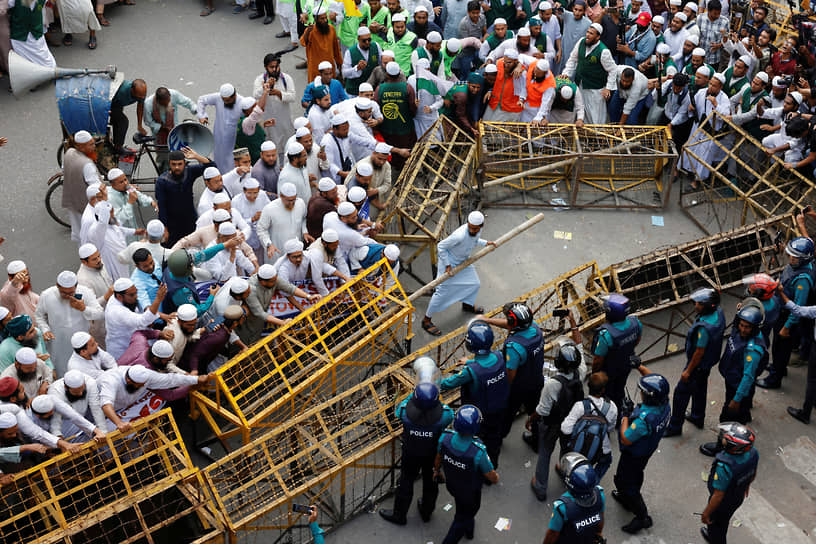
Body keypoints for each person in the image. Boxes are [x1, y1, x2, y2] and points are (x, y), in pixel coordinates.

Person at [380, 378, 455, 525]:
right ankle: (427, 512)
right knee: (430, 481)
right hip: (433, 454)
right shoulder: (444, 416)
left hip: (411, 452)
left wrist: (413, 396)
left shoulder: (405, 414)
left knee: (406, 481)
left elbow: (399, 408)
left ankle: (399, 515)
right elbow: (448, 412)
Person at [699, 304, 765, 458]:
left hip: (738, 386)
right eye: (741, 325)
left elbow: (748, 377)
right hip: (732, 379)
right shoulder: (741, 332)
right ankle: (744, 414)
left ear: (754, 328)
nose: (743, 329)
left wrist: (736, 400)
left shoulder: (752, 350)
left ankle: (722, 446)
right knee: (742, 411)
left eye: (747, 327)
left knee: (727, 417)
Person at [440, 320, 508, 468]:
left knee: (476, 441)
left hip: (480, 413)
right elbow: (486, 366)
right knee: (494, 439)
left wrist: (432, 380)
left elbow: (448, 384)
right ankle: (493, 464)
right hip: (500, 406)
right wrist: (470, 362)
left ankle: (478, 467)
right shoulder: (498, 356)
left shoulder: (470, 372)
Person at [612, 366, 670, 534]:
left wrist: (624, 415)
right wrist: (639, 366)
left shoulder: (644, 420)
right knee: (636, 475)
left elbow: (626, 438)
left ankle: (642, 516)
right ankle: (625, 497)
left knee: (626, 481)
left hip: (634, 454)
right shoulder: (664, 404)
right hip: (646, 450)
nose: (641, 393)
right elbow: (655, 380)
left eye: (643, 391)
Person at [422, 211, 496, 336]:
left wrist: (485, 243)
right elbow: (441, 247)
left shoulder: (477, 231)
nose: (472, 230)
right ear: (468, 223)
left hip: (462, 261)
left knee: (474, 283)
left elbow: (475, 240)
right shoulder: (459, 235)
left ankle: (467, 304)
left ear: (481, 226)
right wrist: (447, 264)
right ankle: (426, 320)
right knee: (441, 292)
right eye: (470, 227)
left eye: (475, 229)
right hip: (448, 265)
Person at [665, 288, 726, 437]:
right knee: (700, 389)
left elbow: (699, 352)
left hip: (697, 365)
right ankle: (697, 417)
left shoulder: (704, 329)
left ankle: (675, 426)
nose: (695, 306)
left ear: (707, 306)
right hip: (708, 363)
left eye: (699, 304)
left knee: (681, 393)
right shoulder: (719, 313)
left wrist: (688, 371)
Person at [434, 405, 499, 544]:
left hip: (452, 485)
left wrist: (436, 471)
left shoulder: (445, 438)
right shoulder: (478, 452)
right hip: (470, 492)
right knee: (463, 517)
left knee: (463, 509)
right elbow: (493, 477)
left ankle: (469, 530)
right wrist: (496, 477)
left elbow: (438, 458)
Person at [528, 341, 584, 501]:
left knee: (545, 452)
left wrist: (531, 419)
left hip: (552, 424)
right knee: (566, 448)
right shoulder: (580, 372)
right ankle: (564, 469)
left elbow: (542, 411)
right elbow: (579, 344)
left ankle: (540, 486)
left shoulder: (553, 384)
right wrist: (573, 324)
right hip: (572, 421)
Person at [757, 237, 815, 390]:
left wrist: (787, 327)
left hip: (787, 317)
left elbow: (798, 308)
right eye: (791, 254)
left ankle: (774, 379)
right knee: (778, 346)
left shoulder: (803, 279)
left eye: (795, 257)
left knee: (781, 347)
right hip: (781, 311)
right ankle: (779, 368)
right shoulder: (796, 265)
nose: (792, 258)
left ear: (804, 258)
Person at [97, 365, 210, 432]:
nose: (143, 387)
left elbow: (170, 380)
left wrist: (196, 380)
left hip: (119, 408)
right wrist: (119, 423)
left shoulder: (144, 376)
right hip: (94, 409)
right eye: (140, 385)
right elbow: (106, 404)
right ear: (129, 381)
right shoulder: (111, 380)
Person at [34, 271, 103, 376]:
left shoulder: (86, 292)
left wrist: (84, 308)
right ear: (57, 286)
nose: (67, 296)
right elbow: (39, 316)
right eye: (63, 293)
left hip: (82, 344)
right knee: (62, 372)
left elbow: (100, 314)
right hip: (58, 344)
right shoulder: (47, 295)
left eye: (71, 293)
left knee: (86, 373)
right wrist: (45, 330)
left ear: (76, 286)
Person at [699, 422, 758, 543]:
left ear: (734, 447)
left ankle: (715, 538)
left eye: (726, 439)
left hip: (723, 502)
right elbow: (753, 472)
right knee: (724, 521)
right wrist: (746, 485)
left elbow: (718, 495)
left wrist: (706, 513)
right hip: (737, 496)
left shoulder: (724, 467)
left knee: (717, 524)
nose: (723, 438)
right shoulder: (753, 453)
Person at [591, 293, 642, 415]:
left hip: (608, 371)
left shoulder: (606, 334)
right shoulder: (636, 323)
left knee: (605, 394)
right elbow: (637, 340)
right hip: (625, 365)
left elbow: (598, 359)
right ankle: (620, 414)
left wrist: (595, 374)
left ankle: (607, 416)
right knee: (619, 389)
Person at [561, 372, 617, 480]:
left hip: (578, 450)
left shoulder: (580, 406)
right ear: (603, 390)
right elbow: (610, 428)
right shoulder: (612, 407)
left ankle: (569, 474)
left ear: (588, 386)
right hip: (600, 448)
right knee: (606, 461)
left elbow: (565, 429)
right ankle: (592, 483)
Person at [155, 147, 216, 246]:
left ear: (184, 163)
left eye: (180, 164)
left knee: (192, 250)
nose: (177, 167)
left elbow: (211, 166)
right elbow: (162, 206)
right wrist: (164, 229)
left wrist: (197, 157)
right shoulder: (162, 181)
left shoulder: (190, 172)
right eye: (174, 164)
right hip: (172, 224)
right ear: (169, 164)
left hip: (190, 220)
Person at [543, 454, 606, 544]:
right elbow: (601, 519)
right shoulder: (600, 494)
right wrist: (598, 533)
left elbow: (553, 534)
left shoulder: (562, 508)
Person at [563, 23, 618, 124]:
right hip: (580, 85)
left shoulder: (603, 51)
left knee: (595, 117)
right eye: (587, 32)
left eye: (591, 34)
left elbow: (613, 70)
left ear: (598, 37)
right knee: (579, 113)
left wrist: (608, 88)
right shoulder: (581, 42)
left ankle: (597, 137)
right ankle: (582, 139)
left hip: (595, 89)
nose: (587, 35)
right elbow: (573, 59)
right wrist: (566, 73)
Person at [104, 278, 167, 360]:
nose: (136, 296)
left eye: (136, 292)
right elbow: (142, 321)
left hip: (135, 341)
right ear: (119, 296)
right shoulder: (116, 311)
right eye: (132, 295)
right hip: (123, 349)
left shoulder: (121, 298)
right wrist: (158, 299)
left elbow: (141, 312)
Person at [61, 130, 102, 242]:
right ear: (81, 147)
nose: (94, 146)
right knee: (90, 235)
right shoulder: (86, 164)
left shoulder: (69, 152)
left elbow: (64, 169)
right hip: (85, 205)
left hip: (72, 202)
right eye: (91, 144)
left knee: (79, 233)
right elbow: (96, 187)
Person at [253, 55, 296, 158]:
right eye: (271, 67)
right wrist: (265, 88)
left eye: (276, 66)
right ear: (265, 67)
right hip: (269, 120)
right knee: (271, 148)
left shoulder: (286, 79)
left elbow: (292, 96)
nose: (275, 69)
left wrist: (279, 93)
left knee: (287, 148)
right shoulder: (260, 80)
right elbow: (255, 95)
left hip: (284, 121)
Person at [197, 83, 246, 173]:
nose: (225, 102)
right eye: (224, 100)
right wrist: (202, 116)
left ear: (234, 96)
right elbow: (201, 100)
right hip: (219, 135)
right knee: (218, 161)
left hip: (234, 139)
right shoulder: (218, 97)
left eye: (227, 101)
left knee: (233, 163)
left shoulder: (242, 102)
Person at [257, 182, 311, 263]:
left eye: (293, 200)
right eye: (288, 200)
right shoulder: (269, 209)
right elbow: (261, 229)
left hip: (296, 252)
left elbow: (303, 219)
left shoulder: (301, 204)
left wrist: (305, 232)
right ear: (281, 196)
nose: (291, 203)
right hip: (277, 252)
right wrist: (268, 244)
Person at [48, 369, 107, 439]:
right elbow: (57, 420)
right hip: (66, 421)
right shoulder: (55, 392)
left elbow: (96, 408)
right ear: (66, 388)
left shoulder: (90, 382)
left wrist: (103, 432)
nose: (80, 394)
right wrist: (58, 438)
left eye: (82, 390)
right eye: (76, 392)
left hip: (84, 415)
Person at [76, 244, 114, 345]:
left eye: (99, 256)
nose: (98, 260)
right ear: (84, 262)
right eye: (94, 259)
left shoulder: (99, 264)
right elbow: (88, 307)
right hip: (100, 323)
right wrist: (107, 295)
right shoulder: (83, 279)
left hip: (112, 312)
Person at [107, 168, 157, 240]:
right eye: (121, 182)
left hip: (134, 232)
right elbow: (119, 219)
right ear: (112, 185)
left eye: (125, 179)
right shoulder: (110, 198)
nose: (125, 183)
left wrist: (151, 202)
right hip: (122, 236)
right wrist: (130, 202)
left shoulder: (127, 188)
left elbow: (139, 195)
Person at [300, 6, 344, 82]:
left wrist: (340, 65)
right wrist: (307, 32)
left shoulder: (331, 29)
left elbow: (336, 49)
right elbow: (303, 42)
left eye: (325, 18)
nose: (325, 20)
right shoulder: (310, 31)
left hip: (329, 69)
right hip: (315, 70)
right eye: (322, 18)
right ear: (315, 19)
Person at [8, 0, 56, 69]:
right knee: (23, 63)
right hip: (20, 37)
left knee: (48, 63)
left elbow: (41, 10)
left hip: (37, 36)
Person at [110, 79, 147, 155]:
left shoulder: (141, 93)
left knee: (117, 122)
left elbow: (140, 106)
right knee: (123, 121)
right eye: (138, 97)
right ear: (132, 90)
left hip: (119, 104)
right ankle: (118, 147)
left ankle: (115, 143)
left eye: (142, 97)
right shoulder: (121, 92)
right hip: (112, 103)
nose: (140, 98)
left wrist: (139, 125)